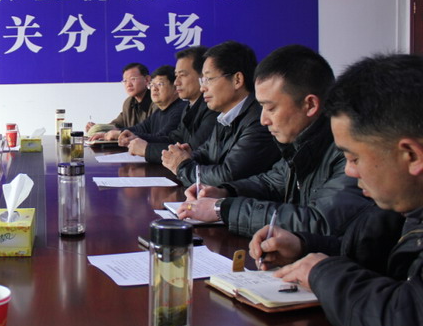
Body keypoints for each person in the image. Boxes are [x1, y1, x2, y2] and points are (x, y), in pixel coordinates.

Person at [249, 54, 422, 326]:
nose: (350, 172)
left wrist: (322, 272)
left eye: (353, 158)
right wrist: (303, 245)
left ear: (410, 155)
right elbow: (372, 252)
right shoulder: (404, 207)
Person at [175, 45, 374, 237]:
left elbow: (319, 222)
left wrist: (222, 209)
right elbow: (271, 182)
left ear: (310, 105)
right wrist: (224, 192)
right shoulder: (300, 141)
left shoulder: (349, 152)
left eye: (270, 108)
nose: (264, 120)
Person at [162, 41, 280, 187]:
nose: (203, 88)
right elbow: (206, 153)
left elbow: (228, 176)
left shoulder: (259, 120)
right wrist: (187, 156)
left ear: (237, 80)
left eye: (208, 79)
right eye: (202, 80)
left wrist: (182, 166)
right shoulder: (225, 116)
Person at [125, 47, 217, 161]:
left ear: (203, 76)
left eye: (182, 75)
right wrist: (135, 137)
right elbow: (174, 139)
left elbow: (192, 150)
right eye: (176, 76)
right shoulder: (189, 107)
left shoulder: (212, 108)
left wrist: (147, 149)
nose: (176, 82)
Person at [105, 65, 185, 143]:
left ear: (176, 88)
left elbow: (163, 138)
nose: (154, 89)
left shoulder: (181, 110)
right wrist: (110, 133)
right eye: (152, 85)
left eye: (160, 84)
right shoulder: (159, 112)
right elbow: (139, 129)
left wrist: (122, 134)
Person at [86, 62, 152, 138]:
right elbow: (116, 125)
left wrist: (118, 132)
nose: (128, 84)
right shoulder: (128, 102)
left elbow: (150, 131)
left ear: (147, 79)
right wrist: (97, 128)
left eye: (133, 79)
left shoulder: (156, 102)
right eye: (125, 81)